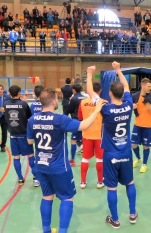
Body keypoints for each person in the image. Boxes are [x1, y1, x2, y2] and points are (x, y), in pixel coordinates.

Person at [27, 88, 105, 233]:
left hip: (41, 166)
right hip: (59, 167)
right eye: (56, 98)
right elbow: (83, 125)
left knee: (47, 196)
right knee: (67, 198)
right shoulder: (59, 119)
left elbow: (30, 141)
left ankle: (46, 230)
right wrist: (97, 110)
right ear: (52, 101)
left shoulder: (32, 119)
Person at [86, 62, 138, 229]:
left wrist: (89, 73)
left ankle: (115, 220)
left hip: (110, 155)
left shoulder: (105, 108)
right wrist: (118, 69)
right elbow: (127, 86)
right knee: (130, 183)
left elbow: (89, 92)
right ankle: (132, 214)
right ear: (123, 93)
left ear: (109, 93)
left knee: (112, 187)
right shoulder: (128, 104)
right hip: (126, 153)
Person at [4, 85, 38, 186]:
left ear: (9, 93)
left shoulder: (5, 105)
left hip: (13, 134)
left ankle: (20, 178)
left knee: (16, 157)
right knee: (31, 155)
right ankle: (36, 178)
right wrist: (25, 102)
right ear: (19, 93)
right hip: (24, 134)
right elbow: (30, 116)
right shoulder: (23, 104)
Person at [77, 82, 104, 189]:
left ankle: (83, 182)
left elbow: (80, 117)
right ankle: (100, 182)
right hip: (99, 135)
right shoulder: (103, 102)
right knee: (99, 159)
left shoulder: (83, 102)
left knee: (85, 159)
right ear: (100, 91)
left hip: (86, 134)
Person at [131, 78, 151, 173]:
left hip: (148, 126)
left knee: (145, 146)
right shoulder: (135, 96)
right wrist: (132, 107)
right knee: (133, 144)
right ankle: (138, 158)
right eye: (148, 86)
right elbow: (129, 107)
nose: (150, 88)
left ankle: (144, 164)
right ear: (142, 86)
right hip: (137, 125)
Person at [67, 84, 88, 166]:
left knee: (73, 140)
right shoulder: (86, 98)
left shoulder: (74, 98)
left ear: (74, 90)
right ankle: (85, 160)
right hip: (85, 121)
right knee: (85, 140)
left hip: (76, 121)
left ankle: (72, 160)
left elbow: (69, 109)